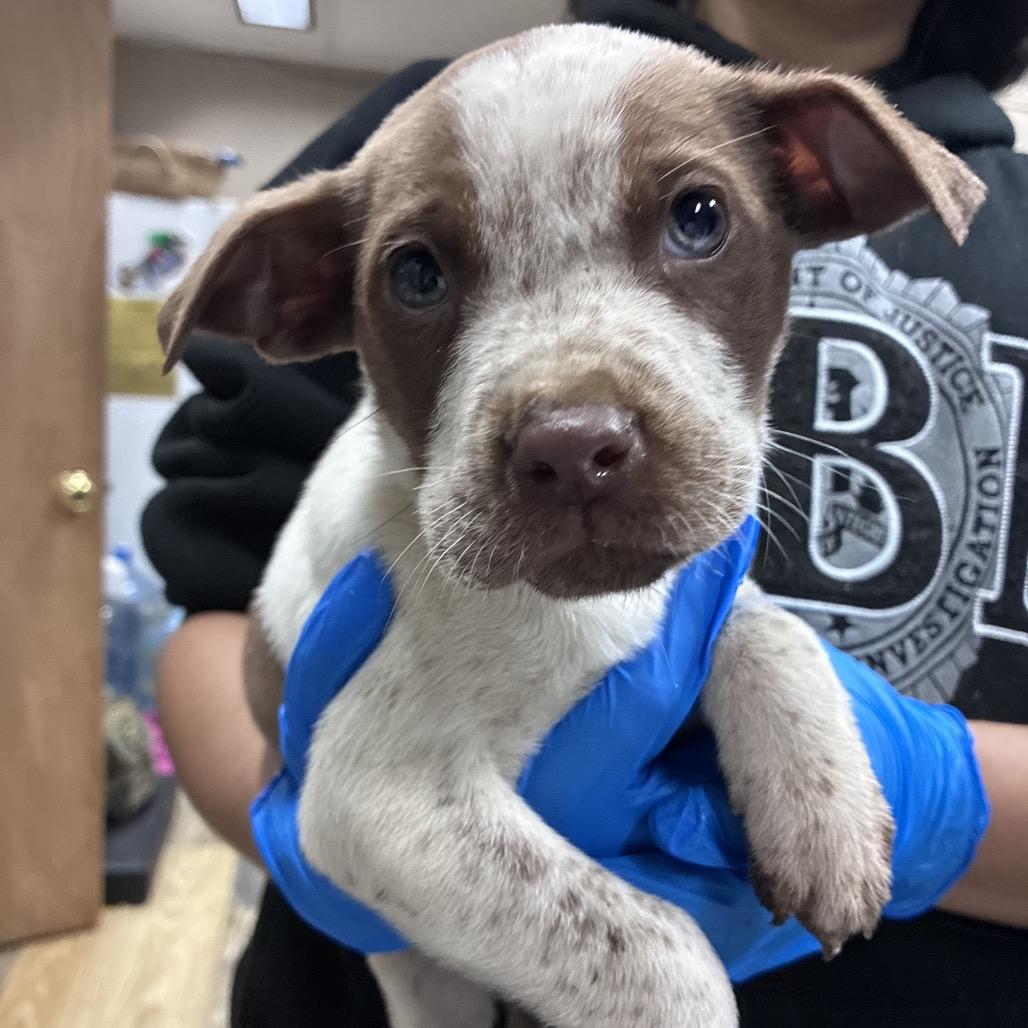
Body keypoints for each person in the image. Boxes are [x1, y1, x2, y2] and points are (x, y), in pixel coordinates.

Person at [145, 1, 1028, 1024]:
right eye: (419, 273)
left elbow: (688, 630)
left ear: (829, 171)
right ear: (305, 295)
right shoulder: (410, 128)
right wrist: (333, 835)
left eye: (695, 219)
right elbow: (208, 609)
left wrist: (942, 798)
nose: (567, 423)